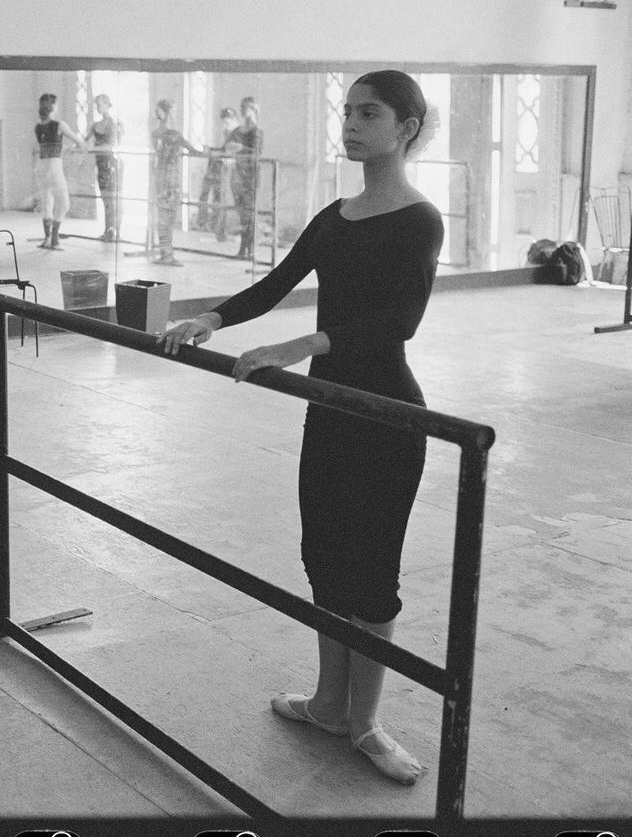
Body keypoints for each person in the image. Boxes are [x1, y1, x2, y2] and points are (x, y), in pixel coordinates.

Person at [160, 70, 443, 786]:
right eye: (346, 112)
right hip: (331, 411)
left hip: (385, 413)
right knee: (323, 554)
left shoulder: (418, 219)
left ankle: (367, 723)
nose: (350, 125)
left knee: (371, 572)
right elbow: (276, 282)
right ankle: (326, 703)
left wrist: (297, 349)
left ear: (405, 127)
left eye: (368, 114)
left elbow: (396, 323)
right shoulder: (334, 215)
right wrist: (211, 318)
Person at [150, 98, 202, 266]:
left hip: (160, 177)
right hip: (170, 178)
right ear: (168, 113)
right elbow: (193, 151)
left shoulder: (156, 133)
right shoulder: (174, 134)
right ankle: (167, 254)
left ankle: (165, 252)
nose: (176, 114)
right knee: (168, 216)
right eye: (173, 110)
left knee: (163, 216)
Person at [32, 92, 88, 250]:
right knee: (64, 204)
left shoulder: (38, 127)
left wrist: (64, 148)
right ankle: (55, 239)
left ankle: (47, 239)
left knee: (46, 204)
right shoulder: (60, 125)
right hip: (54, 167)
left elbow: (46, 146)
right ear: (52, 107)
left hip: (41, 166)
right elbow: (78, 141)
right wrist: (81, 147)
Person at [195, 105, 241, 239]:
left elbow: (231, 152)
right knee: (215, 197)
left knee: (222, 199)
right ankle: (215, 228)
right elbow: (224, 149)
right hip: (220, 166)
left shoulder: (237, 133)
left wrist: (215, 152)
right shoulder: (229, 132)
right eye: (224, 122)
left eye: (227, 122)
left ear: (234, 120)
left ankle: (222, 231)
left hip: (228, 168)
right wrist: (212, 150)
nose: (225, 125)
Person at [85, 93, 124, 242]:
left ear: (108, 105)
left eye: (100, 104)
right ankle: (108, 230)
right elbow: (84, 140)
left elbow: (112, 145)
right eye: (96, 105)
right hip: (100, 164)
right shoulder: (96, 125)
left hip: (111, 163)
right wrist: (73, 147)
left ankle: (116, 231)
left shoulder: (114, 124)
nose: (98, 108)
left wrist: (94, 148)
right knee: (105, 199)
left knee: (114, 199)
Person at [231, 96, 265, 260]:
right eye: (241, 107)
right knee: (242, 213)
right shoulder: (238, 130)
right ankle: (243, 249)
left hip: (251, 176)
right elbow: (227, 145)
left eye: (245, 107)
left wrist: (241, 148)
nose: (242, 110)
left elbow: (257, 152)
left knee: (249, 214)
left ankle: (249, 249)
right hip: (239, 175)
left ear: (252, 109)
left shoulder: (256, 130)